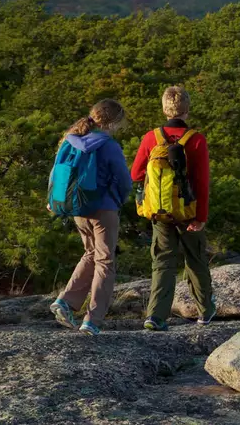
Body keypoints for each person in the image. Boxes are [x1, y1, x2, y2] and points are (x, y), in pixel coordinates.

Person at [132, 85, 215, 331]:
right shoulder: (196, 139)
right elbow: (201, 182)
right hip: (189, 211)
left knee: (163, 263)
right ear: (187, 110)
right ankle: (205, 311)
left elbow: (135, 174)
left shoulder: (151, 138)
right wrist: (201, 216)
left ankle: (156, 316)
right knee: (196, 260)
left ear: (164, 108)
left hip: (160, 212)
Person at [50, 99, 132, 336]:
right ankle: (92, 320)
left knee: (90, 254)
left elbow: (57, 173)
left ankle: (65, 301)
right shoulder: (109, 145)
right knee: (105, 261)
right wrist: (118, 199)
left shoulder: (71, 139)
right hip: (103, 208)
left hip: (77, 209)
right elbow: (124, 181)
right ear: (114, 122)